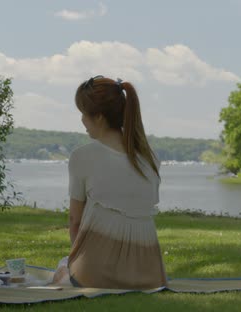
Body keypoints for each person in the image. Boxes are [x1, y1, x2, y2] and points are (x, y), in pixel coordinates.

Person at [55, 75, 167, 289]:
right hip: (150, 276)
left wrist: (74, 261)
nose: (81, 121)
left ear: (98, 117)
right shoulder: (149, 158)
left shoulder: (83, 156)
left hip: (96, 275)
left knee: (61, 269)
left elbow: (74, 221)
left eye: (83, 113)